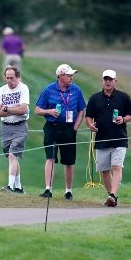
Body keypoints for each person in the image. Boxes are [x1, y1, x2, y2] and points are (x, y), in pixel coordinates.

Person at [34, 64, 86, 199]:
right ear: (61, 76)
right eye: (69, 75)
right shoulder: (49, 90)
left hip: (69, 128)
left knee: (69, 161)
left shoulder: (76, 90)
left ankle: (68, 191)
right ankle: (48, 189)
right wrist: (49, 111)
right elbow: (37, 110)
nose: (72, 77)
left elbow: (81, 110)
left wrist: (75, 127)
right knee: (50, 157)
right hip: (52, 127)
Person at [85, 69, 131, 207]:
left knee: (117, 167)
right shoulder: (95, 98)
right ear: (102, 81)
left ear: (115, 81)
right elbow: (88, 116)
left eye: (110, 79)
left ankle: (112, 194)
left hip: (119, 138)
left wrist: (123, 119)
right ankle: (111, 196)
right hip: (101, 139)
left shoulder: (124, 97)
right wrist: (90, 125)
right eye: (105, 79)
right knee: (104, 169)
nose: (108, 82)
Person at [0, 65, 29, 194]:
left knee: (13, 155)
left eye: (12, 78)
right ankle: (19, 187)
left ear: (18, 77)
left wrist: (6, 109)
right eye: (7, 78)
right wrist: (14, 111)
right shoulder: (1, 90)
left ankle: (10, 186)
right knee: (12, 157)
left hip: (20, 127)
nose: (9, 81)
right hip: (5, 128)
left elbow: (23, 110)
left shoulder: (23, 88)